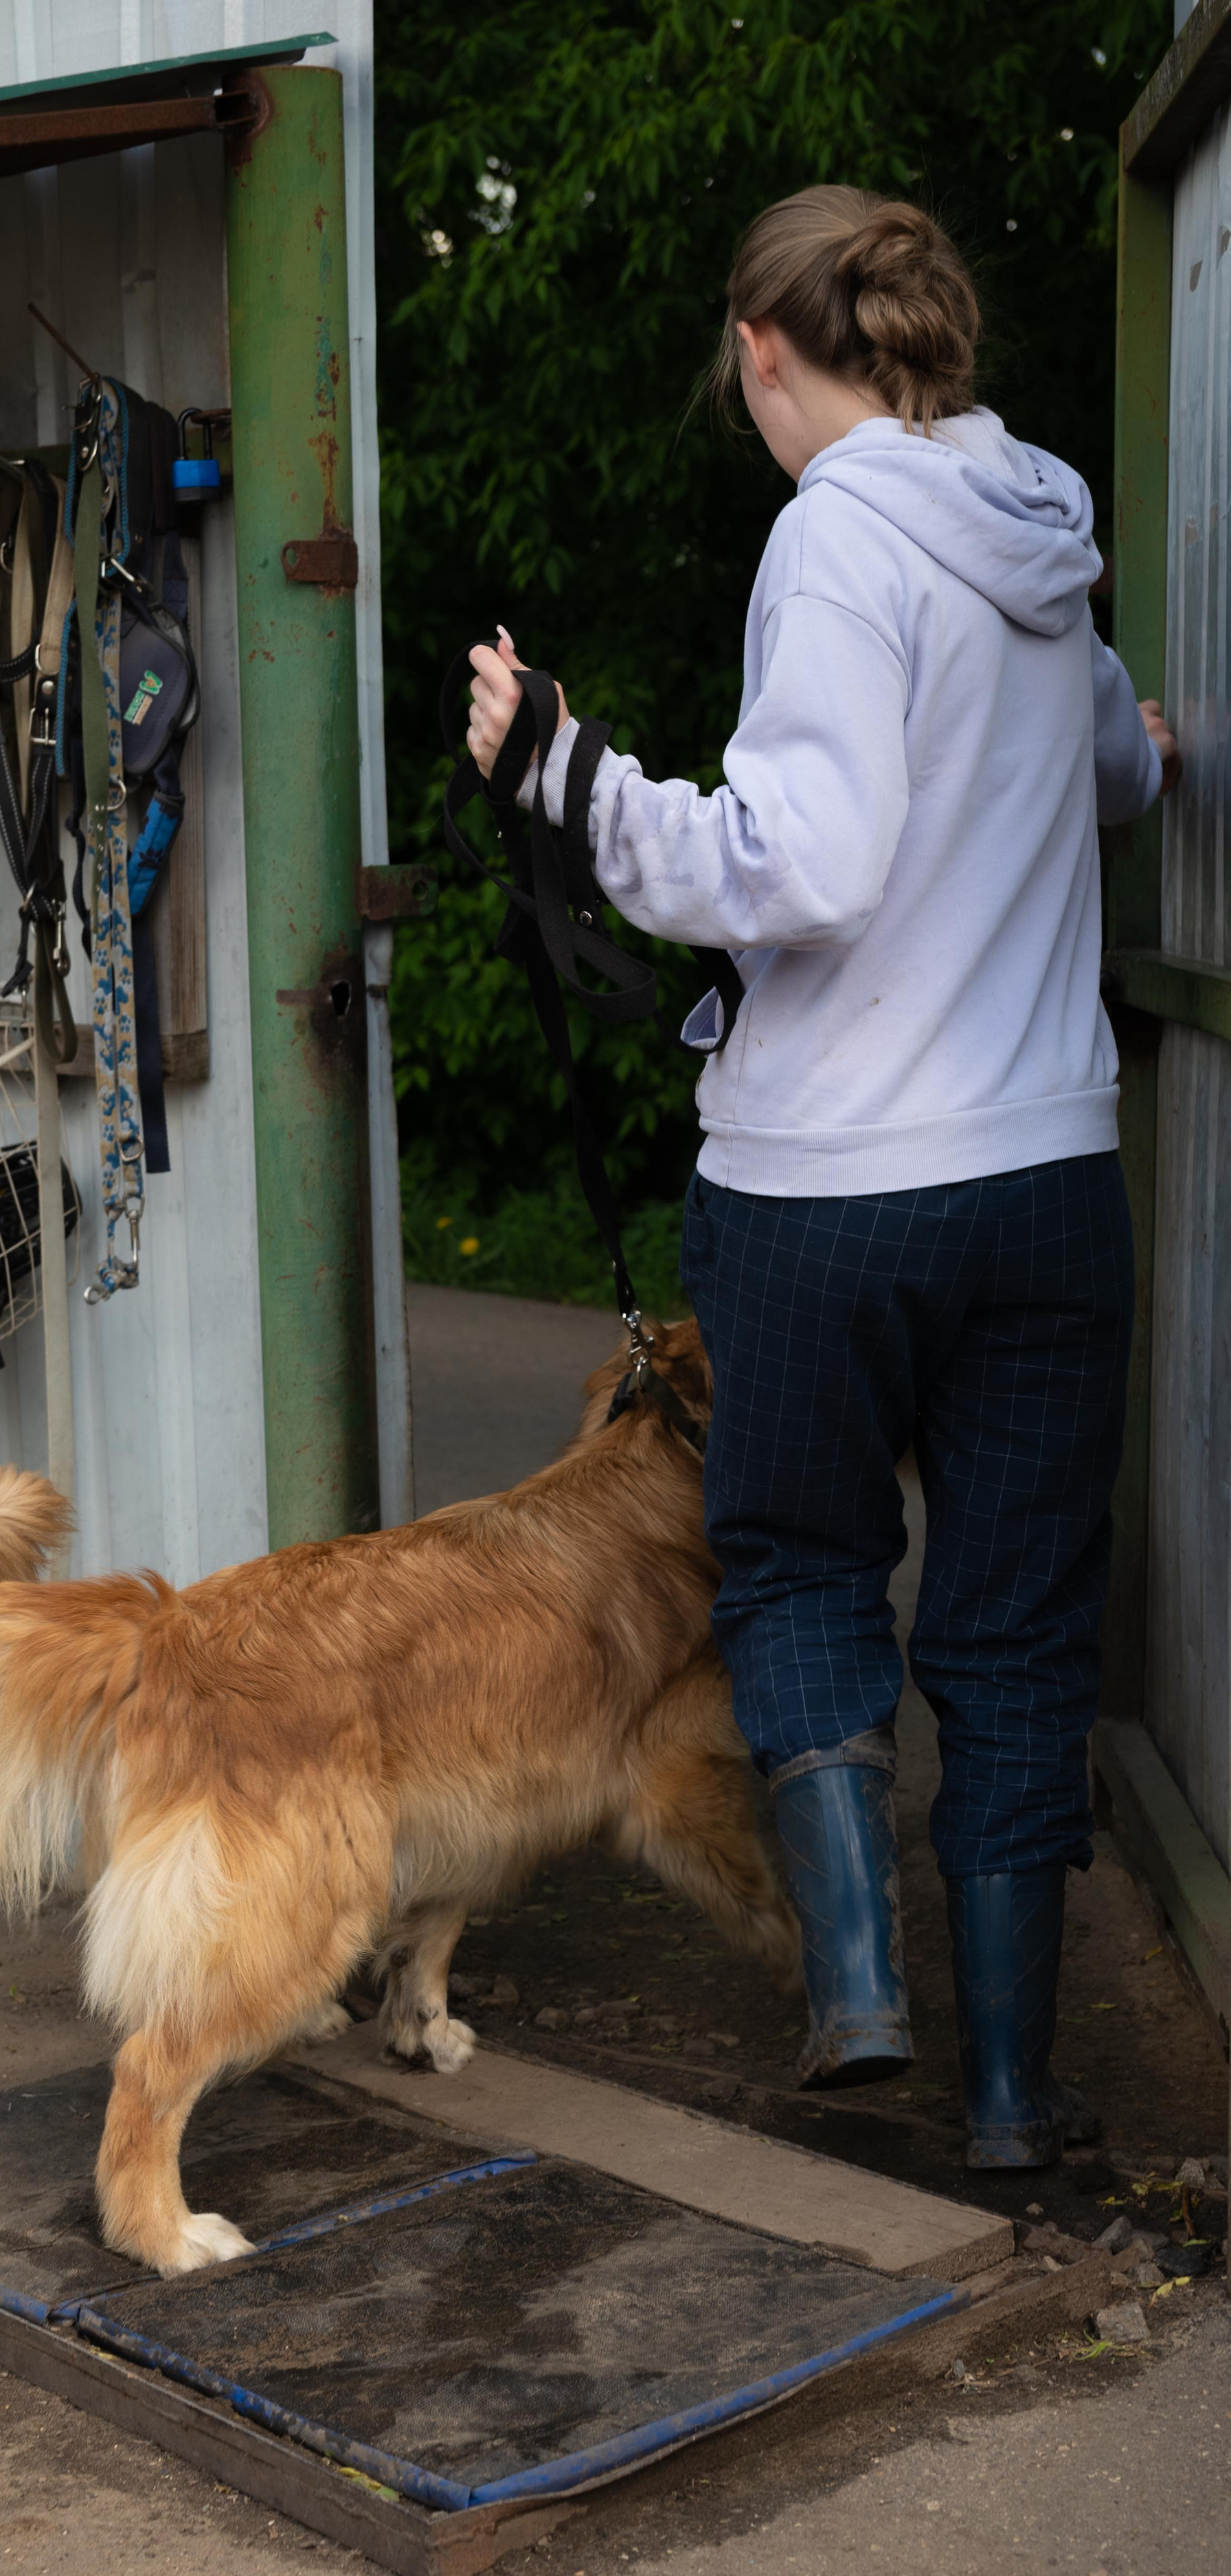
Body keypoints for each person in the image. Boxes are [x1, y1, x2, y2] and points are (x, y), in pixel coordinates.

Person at [465, 185, 1179, 2172]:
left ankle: (861, 1996)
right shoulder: (1037, 534)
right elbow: (1109, 769)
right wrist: (1149, 747)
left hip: (824, 1193)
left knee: (795, 1563)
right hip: (1046, 1180)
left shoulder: (836, 535)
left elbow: (807, 858)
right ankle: (1016, 2096)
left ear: (764, 349)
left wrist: (570, 774)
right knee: (1020, 1629)